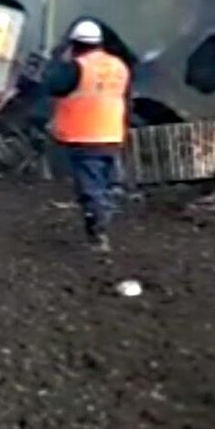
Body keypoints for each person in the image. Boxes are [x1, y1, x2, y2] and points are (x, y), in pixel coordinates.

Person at [45, 19, 131, 254]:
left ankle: (98, 231)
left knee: (90, 186)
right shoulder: (119, 66)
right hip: (112, 135)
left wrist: (57, 60)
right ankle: (107, 204)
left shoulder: (76, 67)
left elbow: (53, 85)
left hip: (84, 136)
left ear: (75, 44)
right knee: (105, 179)